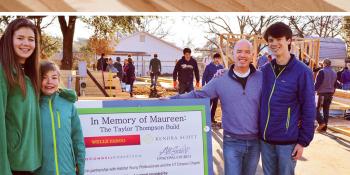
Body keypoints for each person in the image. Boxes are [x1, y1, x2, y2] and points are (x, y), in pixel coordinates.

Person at [171, 39, 262, 175]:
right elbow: (198, 95)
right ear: (232, 53)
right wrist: (171, 99)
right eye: (239, 51)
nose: (243, 55)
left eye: (247, 52)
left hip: (255, 142)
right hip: (232, 141)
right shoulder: (221, 78)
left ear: (252, 55)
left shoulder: (261, 77)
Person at [259, 22, 316, 175]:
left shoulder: (302, 71)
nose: (274, 44)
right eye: (271, 40)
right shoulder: (265, 70)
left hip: (288, 142)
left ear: (289, 40)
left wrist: (303, 141)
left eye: (279, 39)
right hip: (265, 140)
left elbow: (309, 108)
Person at [0, 18, 42, 175]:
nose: (26, 43)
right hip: (12, 164)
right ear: (9, 40)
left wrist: (66, 93)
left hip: (31, 162)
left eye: (31, 39)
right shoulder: (3, 72)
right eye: (20, 38)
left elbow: (53, 83)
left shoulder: (31, 73)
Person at [35, 61, 85, 175]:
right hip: (42, 171)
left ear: (59, 80)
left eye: (54, 77)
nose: (49, 82)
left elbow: (77, 138)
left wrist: (80, 167)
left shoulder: (68, 105)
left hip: (67, 170)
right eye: (44, 77)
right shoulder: (33, 104)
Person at [314, 59, 337, 132]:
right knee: (326, 110)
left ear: (325, 64)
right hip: (330, 93)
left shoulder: (322, 71)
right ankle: (324, 128)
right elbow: (335, 85)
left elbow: (317, 83)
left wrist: (312, 91)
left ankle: (321, 123)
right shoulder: (334, 72)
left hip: (322, 94)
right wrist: (332, 92)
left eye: (322, 64)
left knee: (315, 109)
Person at [202, 53, 224, 126]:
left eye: (218, 58)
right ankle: (206, 119)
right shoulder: (208, 66)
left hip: (217, 89)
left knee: (215, 104)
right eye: (216, 58)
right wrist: (203, 86)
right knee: (208, 104)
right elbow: (204, 76)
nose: (217, 60)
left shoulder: (221, 67)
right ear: (213, 59)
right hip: (209, 88)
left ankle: (212, 118)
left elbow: (223, 78)